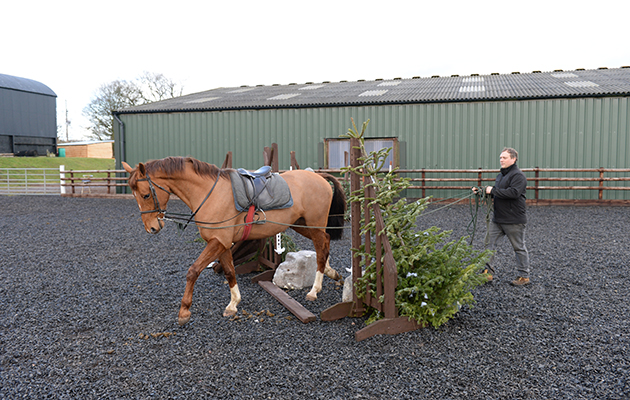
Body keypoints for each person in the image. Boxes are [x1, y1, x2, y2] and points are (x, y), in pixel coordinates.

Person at [473, 147, 531, 286]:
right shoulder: (501, 175)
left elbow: (513, 193)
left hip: (514, 220)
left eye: (504, 157)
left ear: (513, 159)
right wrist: (482, 192)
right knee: (489, 245)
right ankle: (487, 273)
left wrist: (492, 190)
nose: (501, 160)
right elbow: (498, 192)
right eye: (500, 157)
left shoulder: (518, 176)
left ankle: (524, 276)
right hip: (498, 218)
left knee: (519, 247)